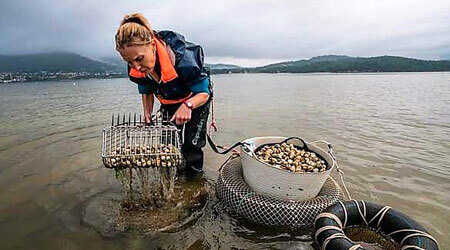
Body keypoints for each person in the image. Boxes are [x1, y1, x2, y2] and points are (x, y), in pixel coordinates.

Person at [115, 13, 211, 175]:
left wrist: (187, 105)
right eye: (129, 62)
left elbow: (204, 93)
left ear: (152, 45)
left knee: (192, 144)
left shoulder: (184, 60)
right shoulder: (136, 66)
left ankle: (194, 182)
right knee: (168, 145)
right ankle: (173, 177)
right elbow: (145, 90)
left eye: (139, 58)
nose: (136, 67)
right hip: (169, 101)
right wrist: (147, 112)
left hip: (195, 99)